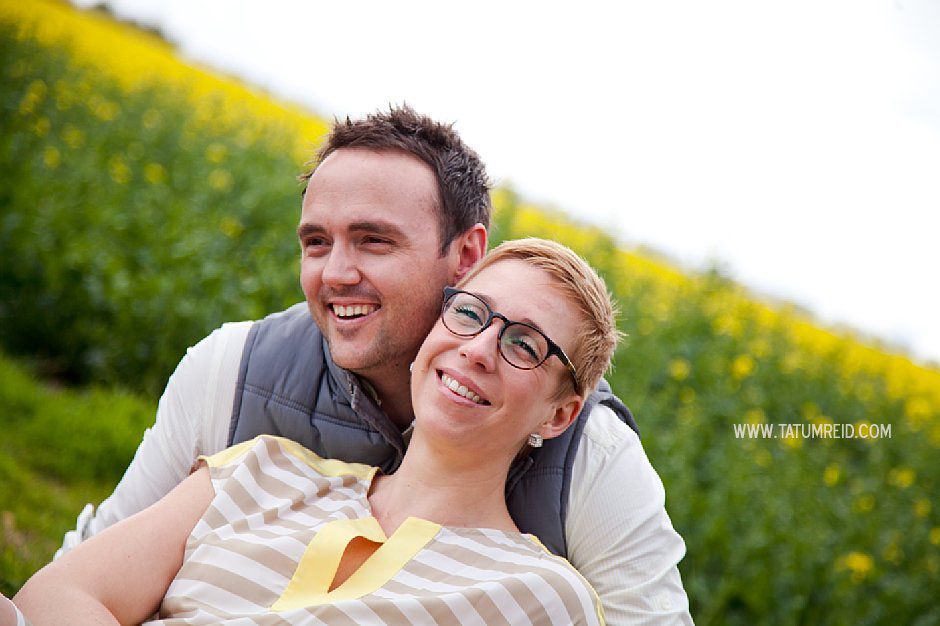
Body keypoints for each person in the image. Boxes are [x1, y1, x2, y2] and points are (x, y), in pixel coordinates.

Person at [54, 106, 692, 623]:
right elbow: (83, 574)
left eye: (374, 240)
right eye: (316, 243)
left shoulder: (591, 464)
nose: (335, 275)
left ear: (465, 255)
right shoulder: (238, 389)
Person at [16, 239, 617, 624]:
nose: (479, 349)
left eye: (524, 344)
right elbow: (52, 599)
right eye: (470, 313)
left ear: (559, 415)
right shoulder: (259, 471)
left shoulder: (541, 598)